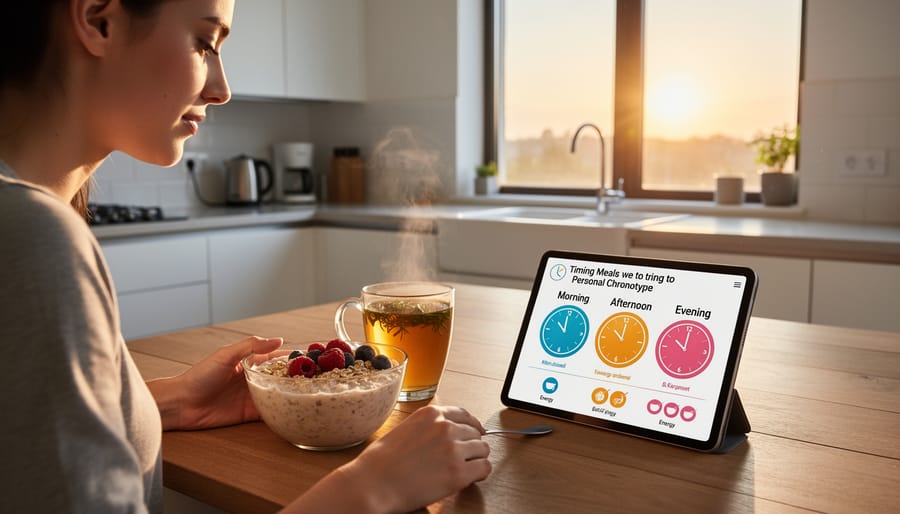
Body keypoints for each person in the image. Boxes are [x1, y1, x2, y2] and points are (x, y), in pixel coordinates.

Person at [0, 1, 492, 513]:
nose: (222, 89)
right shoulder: (30, 238)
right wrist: (376, 484)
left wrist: (170, 402)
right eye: (205, 42)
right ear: (99, 19)